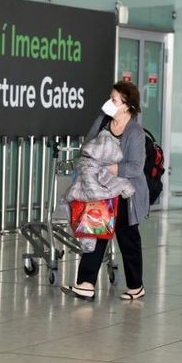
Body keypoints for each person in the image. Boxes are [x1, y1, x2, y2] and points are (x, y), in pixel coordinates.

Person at [61, 81, 150, 301]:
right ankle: (86, 284)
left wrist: (110, 167)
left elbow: (136, 167)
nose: (109, 103)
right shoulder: (103, 121)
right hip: (101, 191)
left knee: (128, 239)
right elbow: (88, 146)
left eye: (114, 100)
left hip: (125, 194)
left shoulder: (135, 132)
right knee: (97, 231)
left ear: (126, 104)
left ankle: (136, 286)